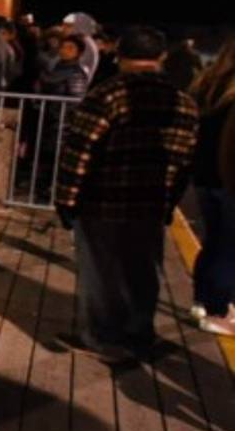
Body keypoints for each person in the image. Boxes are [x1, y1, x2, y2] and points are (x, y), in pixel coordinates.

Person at [53, 26, 199, 363]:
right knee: (143, 269)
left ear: (118, 56)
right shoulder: (184, 103)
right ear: (161, 57)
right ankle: (139, 332)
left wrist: (66, 199)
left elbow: (79, 152)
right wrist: (168, 202)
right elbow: (183, 162)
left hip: (103, 200)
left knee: (101, 273)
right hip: (150, 202)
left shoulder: (107, 95)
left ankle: (104, 337)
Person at [189, 39, 235, 335]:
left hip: (204, 176)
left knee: (214, 241)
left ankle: (201, 302)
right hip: (228, 178)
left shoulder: (206, 84)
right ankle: (219, 312)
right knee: (229, 250)